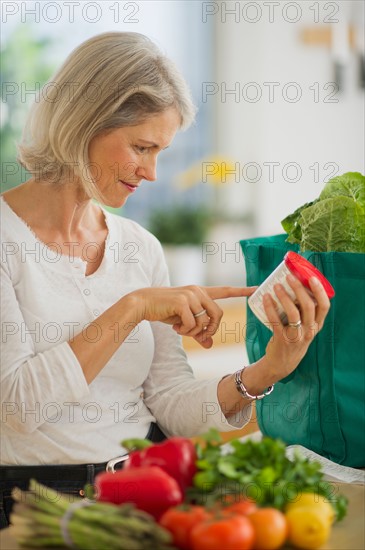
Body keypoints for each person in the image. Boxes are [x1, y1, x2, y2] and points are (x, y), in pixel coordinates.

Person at [0, 32, 330, 528]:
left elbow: (173, 407)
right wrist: (132, 307)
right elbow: (17, 406)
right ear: (84, 123)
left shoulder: (139, 247)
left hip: (146, 499)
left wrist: (268, 369)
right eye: (141, 147)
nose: (151, 172)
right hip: (33, 512)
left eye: (161, 152)